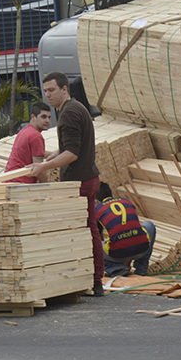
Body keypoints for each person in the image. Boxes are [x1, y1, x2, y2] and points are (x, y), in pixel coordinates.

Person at [31, 72, 104, 296]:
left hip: (79, 181)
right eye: (45, 91)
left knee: (82, 231)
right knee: (88, 228)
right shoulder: (75, 108)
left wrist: (43, 168)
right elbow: (71, 146)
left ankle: (92, 279)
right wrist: (53, 155)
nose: (48, 95)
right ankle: (93, 279)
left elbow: (72, 153)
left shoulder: (69, 113)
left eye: (52, 90)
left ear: (64, 89)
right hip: (87, 177)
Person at [95, 183, 156, 277]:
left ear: (96, 200)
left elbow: (97, 236)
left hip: (117, 255)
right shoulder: (127, 202)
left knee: (93, 241)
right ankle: (141, 268)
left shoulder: (98, 210)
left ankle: (115, 268)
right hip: (141, 249)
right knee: (149, 225)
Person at [2, 102, 52, 184]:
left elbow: (30, 152)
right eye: (43, 117)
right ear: (33, 117)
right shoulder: (36, 136)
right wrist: (48, 185)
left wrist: (58, 155)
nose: (47, 120)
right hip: (22, 184)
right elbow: (38, 169)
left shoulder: (24, 131)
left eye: (49, 117)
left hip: (10, 179)